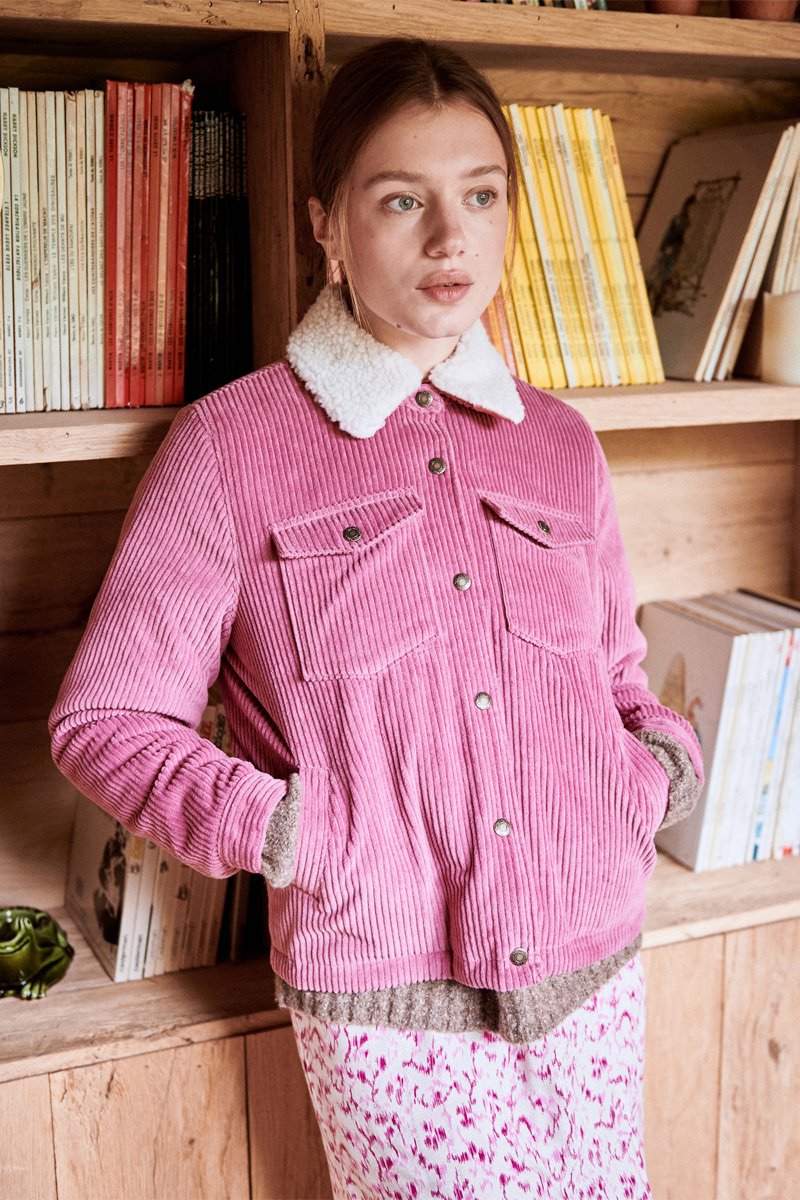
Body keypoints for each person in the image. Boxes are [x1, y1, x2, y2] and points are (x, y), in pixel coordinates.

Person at [49, 38, 703, 1200]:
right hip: (384, 1005)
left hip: (596, 954)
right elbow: (105, 722)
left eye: (480, 196)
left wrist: (650, 768)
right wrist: (289, 834)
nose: (451, 239)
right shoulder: (231, 447)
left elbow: (610, 672)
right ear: (325, 225)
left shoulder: (560, 443)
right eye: (401, 200)